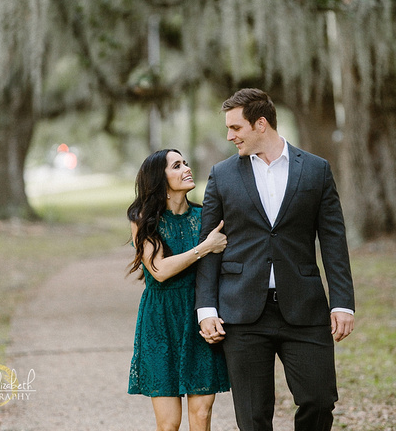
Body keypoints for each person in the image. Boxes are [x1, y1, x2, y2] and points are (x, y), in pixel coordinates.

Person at [195, 88, 355, 431]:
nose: (229, 136)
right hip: (241, 312)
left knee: (319, 400)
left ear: (261, 124)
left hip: (304, 307)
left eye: (236, 128)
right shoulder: (222, 175)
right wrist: (206, 308)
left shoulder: (316, 170)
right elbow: (207, 246)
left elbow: (333, 240)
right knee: (253, 417)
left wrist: (342, 302)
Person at [127, 148, 230, 431]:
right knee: (169, 423)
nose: (186, 168)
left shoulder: (205, 215)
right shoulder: (143, 218)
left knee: (201, 415)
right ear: (159, 179)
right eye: (176, 166)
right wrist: (204, 247)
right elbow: (159, 270)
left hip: (198, 314)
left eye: (185, 162)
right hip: (160, 319)